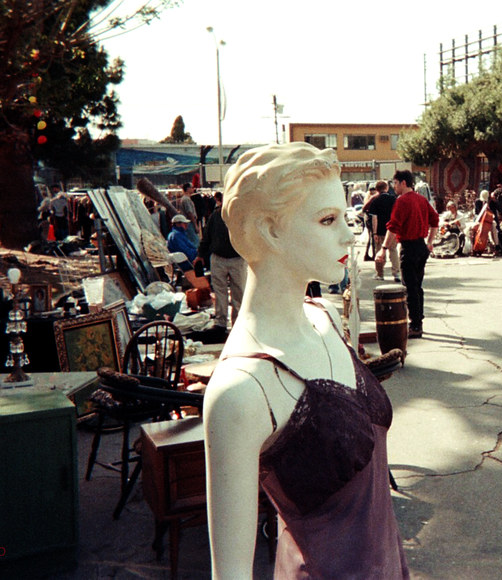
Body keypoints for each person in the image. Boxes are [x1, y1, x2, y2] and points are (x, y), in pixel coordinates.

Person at [203, 142, 408, 578]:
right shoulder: (241, 390)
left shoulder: (326, 317)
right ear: (270, 231)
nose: (348, 235)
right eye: (326, 220)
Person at [377, 170, 439, 339]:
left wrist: (383, 249)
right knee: (417, 286)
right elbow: (435, 220)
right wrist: (430, 242)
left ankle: (416, 324)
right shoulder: (422, 199)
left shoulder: (402, 201)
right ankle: (418, 319)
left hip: (409, 247)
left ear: (403, 183)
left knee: (410, 287)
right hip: (421, 246)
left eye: (395, 183)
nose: (394, 187)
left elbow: (393, 227)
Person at [196, 191, 246, 330]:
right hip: (220, 258)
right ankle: (221, 321)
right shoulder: (216, 216)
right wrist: (200, 254)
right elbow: (206, 236)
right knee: (221, 292)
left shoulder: (241, 217)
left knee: (238, 292)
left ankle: (237, 323)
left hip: (237, 258)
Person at [363, 180, 400, 282]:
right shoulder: (393, 199)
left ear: (377, 189)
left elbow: (374, 217)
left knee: (379, 252)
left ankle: (380, 274)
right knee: (393, 251)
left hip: (379, 230)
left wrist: (374, 232)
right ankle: (396, 273)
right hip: (392, 230)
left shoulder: (375, 200)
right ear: (386, 188)